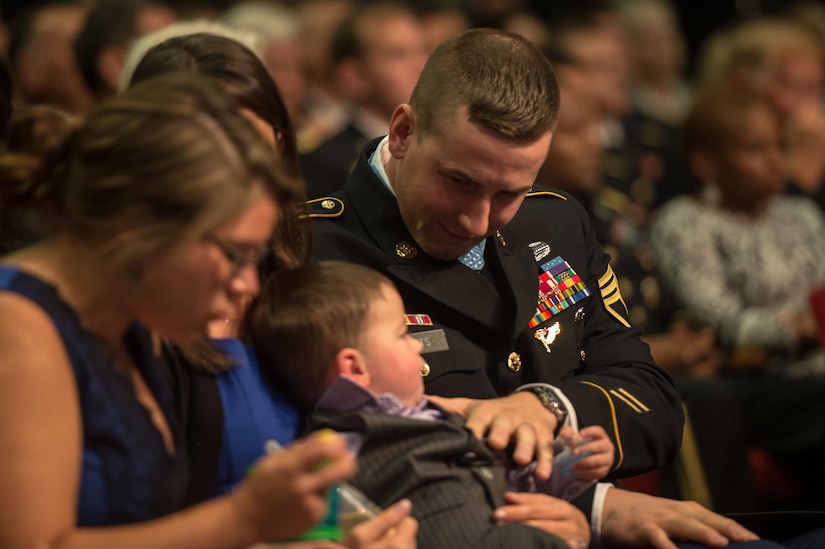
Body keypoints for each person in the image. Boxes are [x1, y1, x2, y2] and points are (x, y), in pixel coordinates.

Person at [0, 71, 359, 549]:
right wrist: (244, 518)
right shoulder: (18, 329)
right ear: (145, 230)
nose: (249, 283)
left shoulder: (129, 325)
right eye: (236, 254)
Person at [248, 259, 613, 548]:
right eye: (403, 335)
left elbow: (509, 487)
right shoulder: (333, 454)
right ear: (355, 368)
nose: (419, 345)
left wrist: (567, 471)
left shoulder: (432, 415)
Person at [650, 85, 825, 512]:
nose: (774, 161)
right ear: (706, 163)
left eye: (777, 146)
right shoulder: (687, 223)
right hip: (758, 381)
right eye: (755, 149)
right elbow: (720, 323)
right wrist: (801, 330)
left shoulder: (800, 214)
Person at [298, 0, 429, 199]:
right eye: (398, 54)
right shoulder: (324, 162)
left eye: (423, 49)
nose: (420, 64)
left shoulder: (438, 144)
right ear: (353, 78)